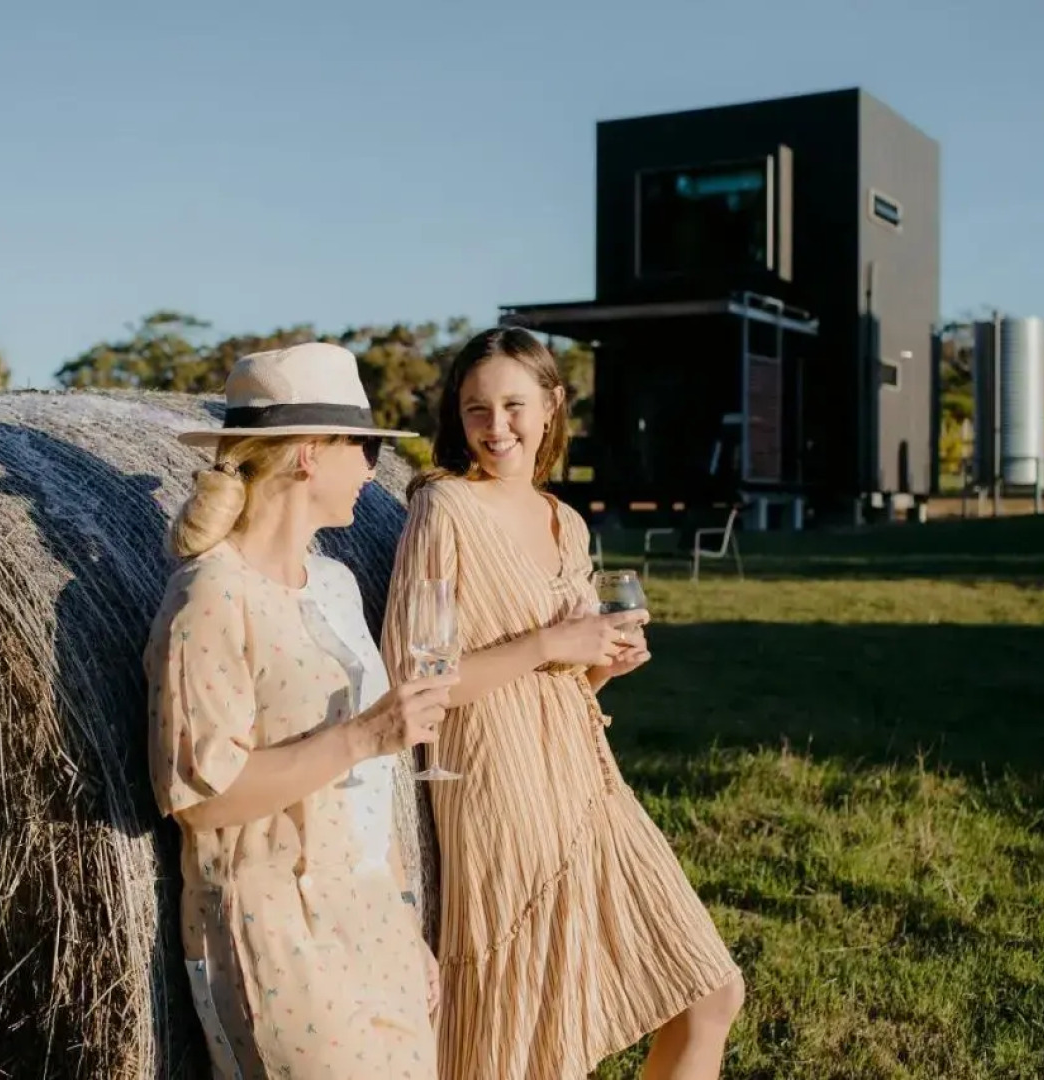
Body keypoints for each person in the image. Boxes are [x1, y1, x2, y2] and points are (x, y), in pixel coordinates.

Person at [382, 327, 744, 1080]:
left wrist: (603, 665)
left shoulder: (565, 521)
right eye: (476, 408)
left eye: (513, 404)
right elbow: (415, 682)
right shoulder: (443, 509)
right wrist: (552, 646)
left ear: (551, 405)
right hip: (497, 780)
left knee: (710, 992)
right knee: (529, 1036)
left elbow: (567, 671)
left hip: (585, 776)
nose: (495, 426)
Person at [146, 342, 453, 1080]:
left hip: (372, 912)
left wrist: (405, 922)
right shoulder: (209, 598)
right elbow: (200, 799)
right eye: (366, 446)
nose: (373, 468)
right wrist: (366, 734)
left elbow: (372, 797)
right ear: (310, 454)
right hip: (273, 929)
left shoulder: (335, 582)